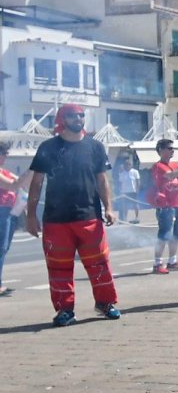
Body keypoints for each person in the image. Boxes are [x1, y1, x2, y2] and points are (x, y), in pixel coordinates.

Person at [25, 104, 121, 326]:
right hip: (56, 219)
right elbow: (36, 182)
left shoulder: (96, 147)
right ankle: (65, 310)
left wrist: (109, 207)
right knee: (59, 268)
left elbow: (102, 180)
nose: (78, 118)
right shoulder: (48, 148)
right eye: (72, 115)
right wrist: (31, 216)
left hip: (89, 216)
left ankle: (106, 304)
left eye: (81, 115)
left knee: (100, 263)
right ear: (62, 119)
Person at [151, 138, 178, 274]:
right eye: (169, 148)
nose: (172, 151)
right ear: (161, 150)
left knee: (176, 234)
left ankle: (172, 261)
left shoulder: (175, 165)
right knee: (164, 234)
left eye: (172, 148)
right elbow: (170, 176)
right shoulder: (158, 166)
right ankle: (157, 263)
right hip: (166, 205)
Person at [0, 142, 33, 297]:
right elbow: (13, 185)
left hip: (10, 212)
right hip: (2, 212)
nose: (6, 156)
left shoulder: (3, 171)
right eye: (3, 153)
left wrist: (32, 171)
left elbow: (22, 183)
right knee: (1, 248)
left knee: (3, 248)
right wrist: (32, 169)